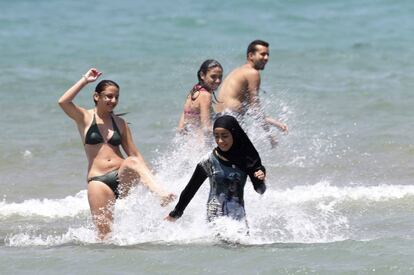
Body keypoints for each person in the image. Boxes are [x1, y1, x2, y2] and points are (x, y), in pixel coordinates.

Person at [58, 68, 175, 240]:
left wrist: (151, 176)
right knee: (104, 237)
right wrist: (85, 80)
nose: (113, 100)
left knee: (132, 161)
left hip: (122, 176)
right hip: (99, 181)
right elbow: (63, 102)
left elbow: (135, 155)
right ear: (96, 96)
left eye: (116, 97)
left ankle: (160, 193)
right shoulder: (84, 117)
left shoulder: (120, 123)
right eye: (108, 96)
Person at [165, 115, 266, 223]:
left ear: (234, 134)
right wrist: (176, 213)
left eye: (225, 136)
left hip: (238, 221)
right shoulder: (209, 160)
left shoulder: (247, 160)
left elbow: (260, 190)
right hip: (215, 220)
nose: (220, 141)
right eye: (216, 136)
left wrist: (259, 179)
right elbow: (191, 189)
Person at [215, 40, 288, 147]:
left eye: (267, 54)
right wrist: (270, 136)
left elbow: (248, 108)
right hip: (231, 119)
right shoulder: (253, 73)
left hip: (218, 119)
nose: (266, 58)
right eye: (262, 54)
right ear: (251, 55)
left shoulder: (240, 71)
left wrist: (274, 123)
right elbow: (255, 108)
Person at [177, 59, 223, 138]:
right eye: (213, 76)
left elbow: (180, 128)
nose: (218, 81)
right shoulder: (205, 95)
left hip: (190, 143)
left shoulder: (194, 91)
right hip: (202, 145)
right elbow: (207, 128)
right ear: (202, 75)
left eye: (220, 77)